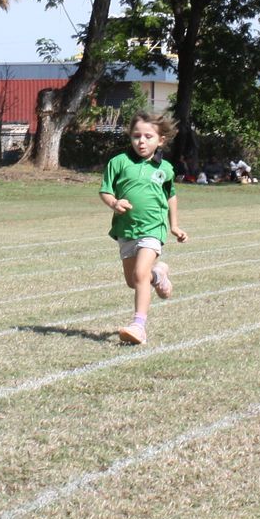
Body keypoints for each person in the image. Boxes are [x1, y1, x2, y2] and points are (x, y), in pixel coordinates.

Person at [99, 113, 189, 345]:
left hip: (153, 229)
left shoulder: (165, 168)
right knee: (134, 281)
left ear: (160, 140)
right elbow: (106, 191)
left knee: (139, 275)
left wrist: (174, 226)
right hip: (126, 230)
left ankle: (139, 326)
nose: (141, 141)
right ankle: (158, 275)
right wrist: (114, 203)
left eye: (148, 136)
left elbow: (171, 196)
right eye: (136, 136)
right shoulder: (118, 162)